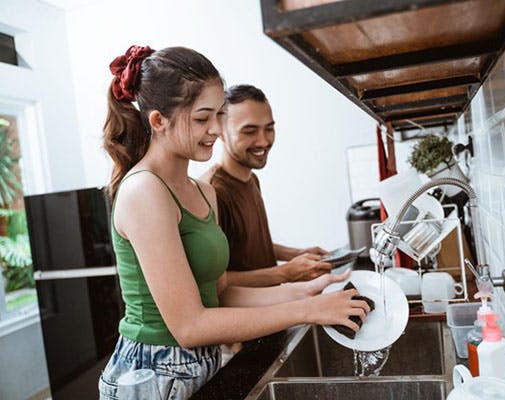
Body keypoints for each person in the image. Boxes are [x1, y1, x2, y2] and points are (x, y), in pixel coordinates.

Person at [98, 45, 369, 400]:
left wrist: (303, 292)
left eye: (218, 115)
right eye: (201, 118)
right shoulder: (144, 190)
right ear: (158, 121)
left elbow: (221, 291)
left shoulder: (202, 191)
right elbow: (189, 326)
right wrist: (307, 310)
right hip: (151, 376)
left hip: (199, 367)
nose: (215, 129)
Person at [203, 84, 332, 287]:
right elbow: (217, 283)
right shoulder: (212, 193)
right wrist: (285, 273)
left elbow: (247, 248)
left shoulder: (251, 179)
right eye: (250, 131)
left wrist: (296, 254)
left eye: (269, 128)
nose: (263, 141)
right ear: (220, 132)